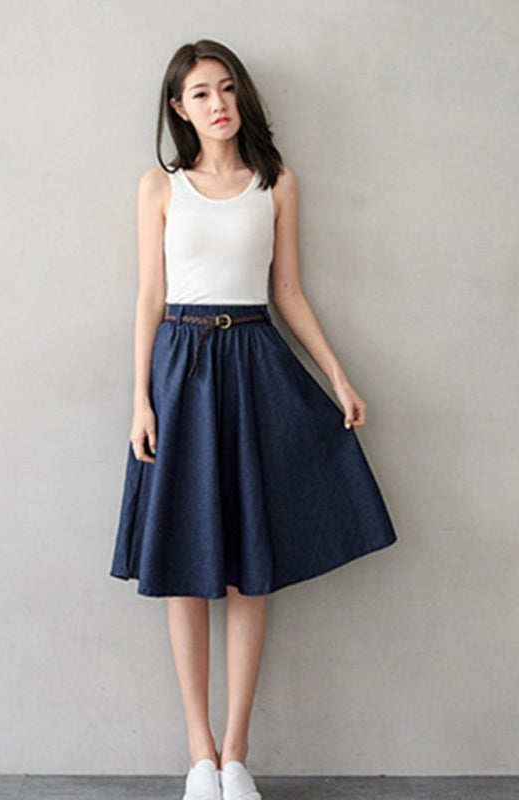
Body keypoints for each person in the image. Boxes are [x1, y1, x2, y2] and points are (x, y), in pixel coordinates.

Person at [109, 39, 398, 800]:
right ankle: (198, 756)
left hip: (256, 365)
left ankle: (237, 756)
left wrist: (337, 376)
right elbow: (148, 297)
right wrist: (139, 399)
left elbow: (288, 291)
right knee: (183, 562)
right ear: (180, 109)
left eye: (227, 88)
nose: (219, 104)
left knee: (248, 570)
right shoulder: (160, 187)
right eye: (201, 93)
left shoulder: (277, 183)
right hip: (179, 370)